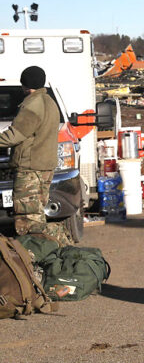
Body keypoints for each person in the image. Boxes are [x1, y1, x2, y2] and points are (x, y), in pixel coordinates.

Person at [0, 66, 72, 245]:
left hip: (30, 170)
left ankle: (61, 241)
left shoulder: (32, 105)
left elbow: (15, 135)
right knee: (36, 215)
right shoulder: (50, 102)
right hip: (45, 168)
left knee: (27, 222)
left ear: (25, 85)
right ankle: (50, 251)